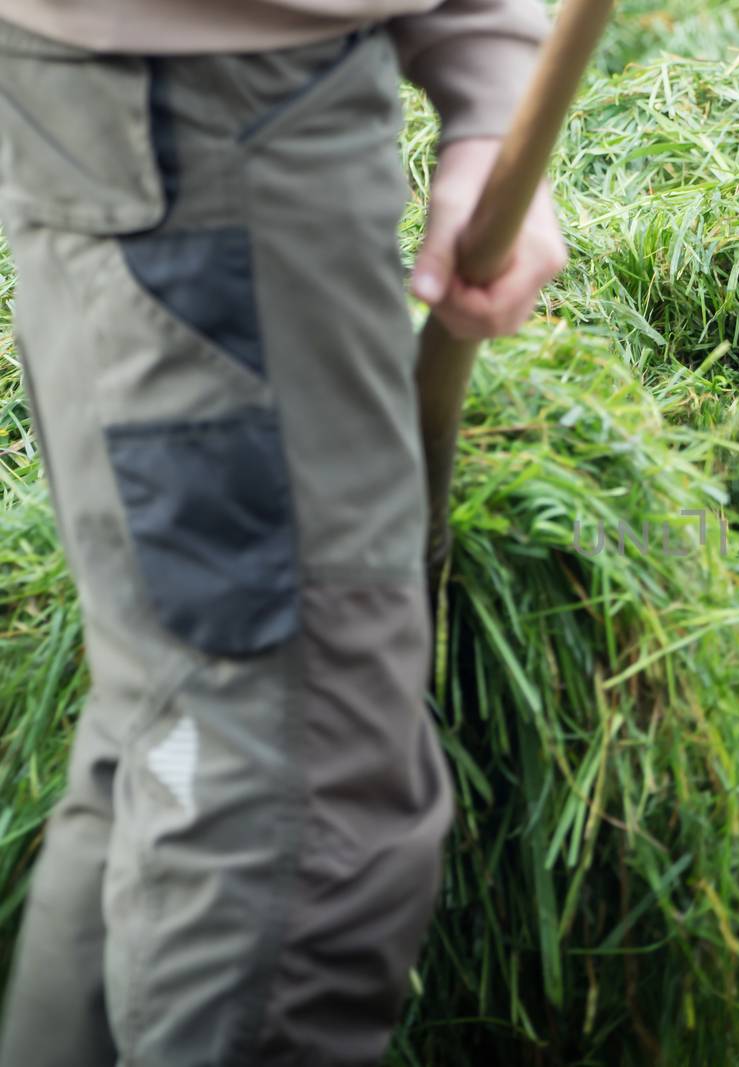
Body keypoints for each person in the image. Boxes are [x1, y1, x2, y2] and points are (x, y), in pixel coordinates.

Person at [0, 1, 568, 1063]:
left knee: (177, 734)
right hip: (208, 123)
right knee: (294, 821)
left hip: (200, 100)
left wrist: (487, 73)